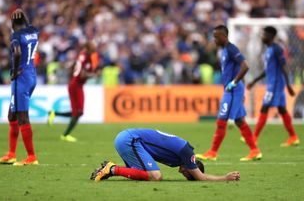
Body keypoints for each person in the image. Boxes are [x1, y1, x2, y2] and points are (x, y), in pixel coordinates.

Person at [196, 25, 262, 161]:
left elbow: (245, 66)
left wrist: (234, 82)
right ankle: (255, 151)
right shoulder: (225, 50)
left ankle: (213, 152)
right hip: (232, 90)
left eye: (216, 37)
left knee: (221, 120)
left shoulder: (232, 49)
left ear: (223, 36)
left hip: (232, 90)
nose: (214, 40)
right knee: (239, 121)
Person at [91, 128, 241, 182]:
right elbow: (201, 178)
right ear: (192, 166)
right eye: (187, 173)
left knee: (143, 174)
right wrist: (224, 178)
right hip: (130, 139)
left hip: (128, 139)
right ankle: (112, 169)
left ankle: (107, 170)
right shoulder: (187, 153)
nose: (180, 171)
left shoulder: (179, 158)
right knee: (156, 176)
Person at [0, 8, 39, 166]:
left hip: (20, 77)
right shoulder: (33, 31)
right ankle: (11, 154)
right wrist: (23, 14)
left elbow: (17, 52)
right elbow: (29, 24)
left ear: (13, 23)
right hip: (31, 75)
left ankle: (31, 157)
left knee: (22, 117)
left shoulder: (15, 36)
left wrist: (13, 71)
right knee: (11, 115)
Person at [246, 26, 300, 147]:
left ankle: (254, 137)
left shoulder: (277, 49)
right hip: (273, 83)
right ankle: (293, 137)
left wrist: (288, 85)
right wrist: (254, 81)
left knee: (264, 108)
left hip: (275, 85)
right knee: (282, 110)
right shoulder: (269, 49)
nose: (262, 37)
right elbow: (268, 70)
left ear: (271, 36)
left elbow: (284, 67)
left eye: (264, 34)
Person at [47, 42, 100, 142]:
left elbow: (74, 68)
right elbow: (82, 75)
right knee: (79, 112)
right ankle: (65, 135)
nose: (95, 48)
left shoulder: (82, 55)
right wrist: (94, 75)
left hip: (75, 85)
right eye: (93, 46)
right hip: (76, 86)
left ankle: (54, 113)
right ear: (88, 47)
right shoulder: (85, 57)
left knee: (78, 112)